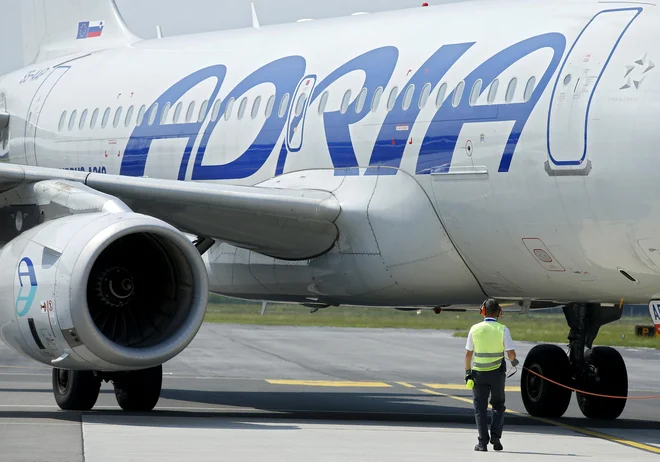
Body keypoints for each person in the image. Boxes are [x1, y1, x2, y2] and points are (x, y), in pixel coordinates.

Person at [464, 299, 518, 452]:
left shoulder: (474, 329)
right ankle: (496, 437)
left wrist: (468, 373)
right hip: (497, 374)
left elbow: (468, 354)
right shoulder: (503, 329)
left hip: (479, 374)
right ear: (499, 313)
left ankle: (482, 443)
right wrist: (514, 362)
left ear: (483, 311)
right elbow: (511, 354)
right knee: (498, 406)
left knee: (480, 408)